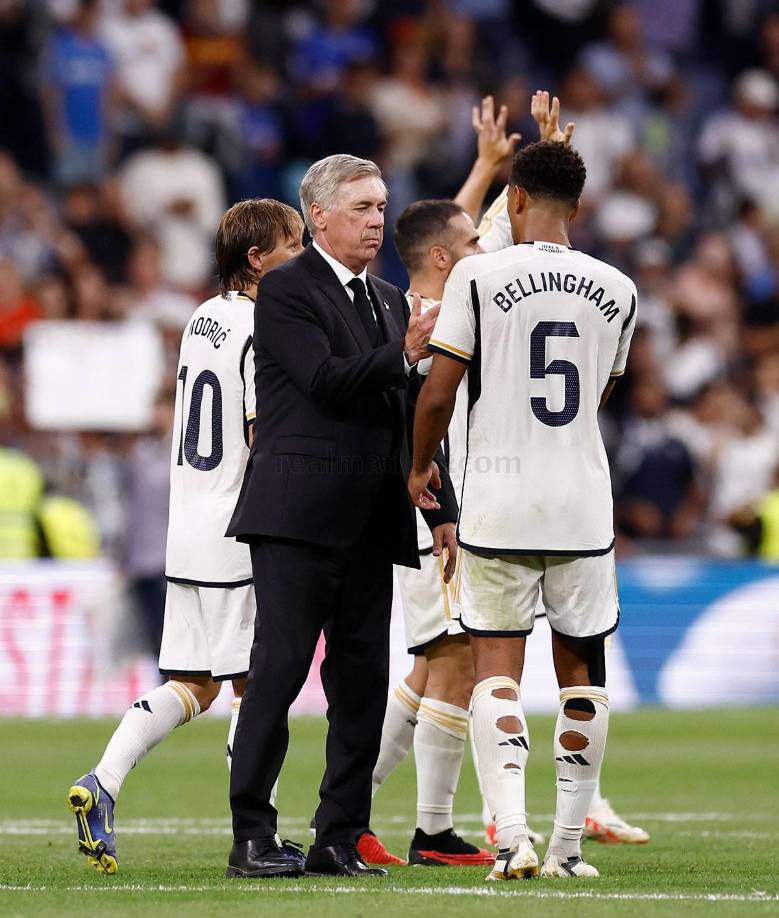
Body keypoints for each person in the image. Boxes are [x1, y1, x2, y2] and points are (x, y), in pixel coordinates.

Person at [409, 139, 638, 880]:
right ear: (578, 206)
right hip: (579, 501)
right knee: (582, 676)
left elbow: (439, 392)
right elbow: (598, 395)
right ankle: (571, 845)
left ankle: (512, 837)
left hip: (499, 502)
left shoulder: (477, 275)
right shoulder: (620, 287)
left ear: (511, 200)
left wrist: (418, 467)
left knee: (495, 672)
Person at [225, 153, 458, 880]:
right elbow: (324, 381)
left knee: (360, 683)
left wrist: (438, 500)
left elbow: (404, 408)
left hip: (369, 514)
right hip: (297, 515)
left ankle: (338, 833)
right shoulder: (286, 290)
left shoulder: (389, 298)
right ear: (318, 215)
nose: (375, 219)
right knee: (280, 672)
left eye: (381, 206)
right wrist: (404, 351)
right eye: (360, 207)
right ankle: (252, 836)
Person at [66, 198, 304, 875]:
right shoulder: (265, 328)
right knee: (258, 686)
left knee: (194, 684)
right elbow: (264, 436)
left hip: (188, 527)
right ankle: (253, 838)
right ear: (257, 260)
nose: (304, 253)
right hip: (238, 525)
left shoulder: (202, 317)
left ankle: (102, 782)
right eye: (293, 243)